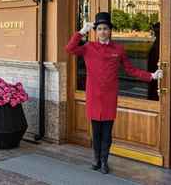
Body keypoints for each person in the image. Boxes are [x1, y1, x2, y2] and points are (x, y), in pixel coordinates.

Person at [65, 12, 163, 174]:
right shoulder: (89, 47)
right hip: (93, 96)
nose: (102, 31)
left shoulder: (118, 49)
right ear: (96, 31)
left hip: (109, 97)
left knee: (107, 133)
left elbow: (131, 70)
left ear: (110, 30)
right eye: (99, 29)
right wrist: (82, 32)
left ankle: (104, 161)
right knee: (96, 132)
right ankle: (96, 159)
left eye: (105, 28)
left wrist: (151, 76)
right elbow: (69, 49)